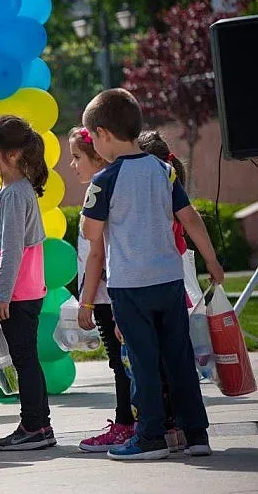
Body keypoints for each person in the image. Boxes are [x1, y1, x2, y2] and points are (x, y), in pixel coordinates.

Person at [80, 88, 223, 460]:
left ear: (104, 134)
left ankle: (150, 437)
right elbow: (189, 217)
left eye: (93, 137)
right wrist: (212, 260)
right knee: (178, 357)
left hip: (130, 286)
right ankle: (196, 434)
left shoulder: (103, 180)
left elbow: (90, 234)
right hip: (169, 280)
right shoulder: (164, 170)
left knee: (142, 361)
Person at [0, 115, 53, 451]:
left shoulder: (13, 194)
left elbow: (12, 249)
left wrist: (1, 295)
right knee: (26, 358)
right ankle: (39, 425)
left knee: (24, 359)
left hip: (18, 295)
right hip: (22, 293)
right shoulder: (15, 190)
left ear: (10, 154)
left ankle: (34, 426)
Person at [68, 126, 135, 452]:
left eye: (77, 157)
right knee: (127, 361)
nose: (73, 164)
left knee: (121, 363)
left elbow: (98, 254)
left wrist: (87, 302)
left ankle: (126, 424)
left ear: (97, 156)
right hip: (115, 293)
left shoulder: (102, 188)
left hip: (110, 296)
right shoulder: (110, 186)